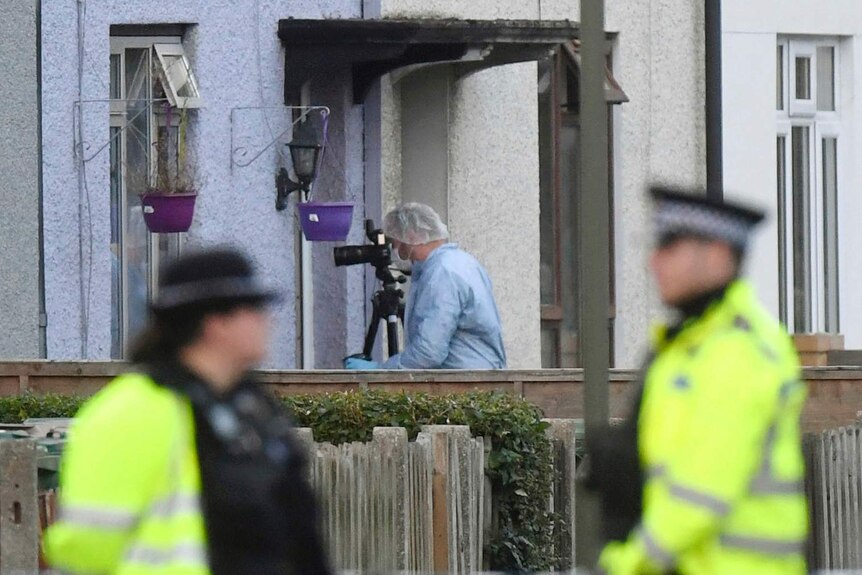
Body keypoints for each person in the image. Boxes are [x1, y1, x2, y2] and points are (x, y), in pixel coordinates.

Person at [44, 247, 332, 575]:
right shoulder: (134, 411)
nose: (266, 319)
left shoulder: (251, 407)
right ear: (214, 323)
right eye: (252, 308)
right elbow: (87, 549)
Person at [587, 187, 808, 575]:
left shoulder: (737, 352)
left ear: (720, 255)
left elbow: (700, 493)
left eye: (671, 245)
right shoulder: (686, 348)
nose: (654, 262)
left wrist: (628, 563)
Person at [344, 202, 507, 369]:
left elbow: (428, 352)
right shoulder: (462, 262)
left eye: (395, 242)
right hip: (477, 379)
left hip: (464, 384)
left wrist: (381, 371)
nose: (395, 251)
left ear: (411, 236)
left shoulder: (442, 273)